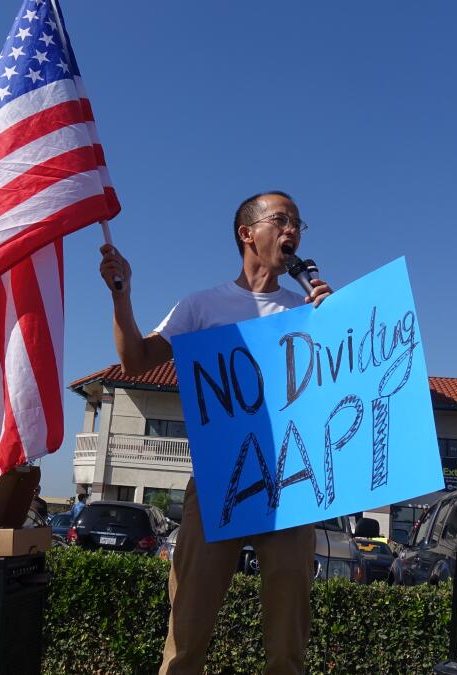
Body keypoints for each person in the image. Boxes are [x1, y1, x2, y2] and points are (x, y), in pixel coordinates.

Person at [99, 191, 333, 675]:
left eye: (297, 224)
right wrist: (121, 296)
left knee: (288, 637)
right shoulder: (202, 306)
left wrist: (335, 321)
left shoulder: (306, 310)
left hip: (289, 484)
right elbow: (137, 361)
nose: (292, 230)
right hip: (217, 479)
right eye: (281, 220)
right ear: (247, 233)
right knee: (188, 621)